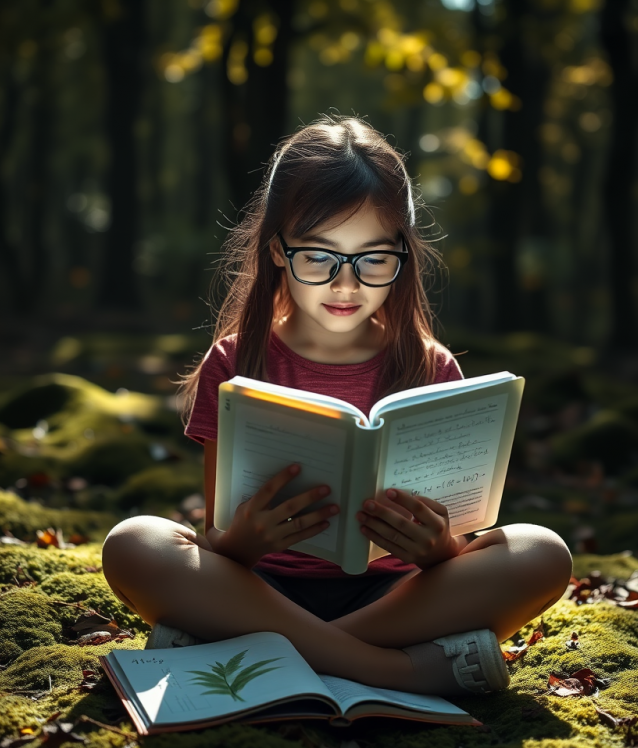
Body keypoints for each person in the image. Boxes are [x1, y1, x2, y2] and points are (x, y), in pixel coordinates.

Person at [101, 114, 572, 696]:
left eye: (373, 258)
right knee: (134, 542)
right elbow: (218, 535)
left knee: (541, 552)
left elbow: (456, 549)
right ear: (277, 250)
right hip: (260, 589)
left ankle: (255, 651)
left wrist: (440, 551)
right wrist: (243, 543)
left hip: (395, 600)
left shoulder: (432, 368)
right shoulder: (235, 362)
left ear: (404, 254)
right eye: (319, 257)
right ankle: (388, 670)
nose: (346, 285)